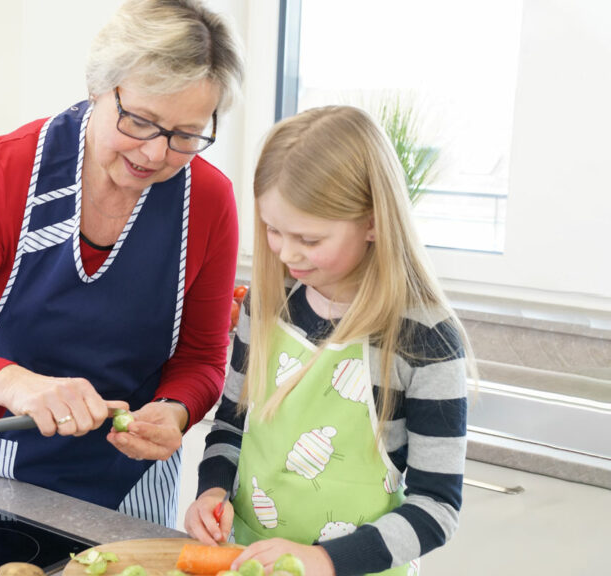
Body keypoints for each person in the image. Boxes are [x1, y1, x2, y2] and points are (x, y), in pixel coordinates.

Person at [0, 0, 244, 529]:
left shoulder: (209, 201)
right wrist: (16, 384)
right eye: (141, 122)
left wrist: (175, 411)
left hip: (131, 487)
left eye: (186, 135)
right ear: (98, 87)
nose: (156, 154)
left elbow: (201, 358)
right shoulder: (15, 170)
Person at [184, 106, 473, 575]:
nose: (288, 253)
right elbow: (232, 426)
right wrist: (212, 490)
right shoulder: (268, 301)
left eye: (310, 239)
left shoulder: (423, 339)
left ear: (373, 222)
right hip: (249, 560)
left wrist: (322, 560)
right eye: (273, 231)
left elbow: (437, 508)